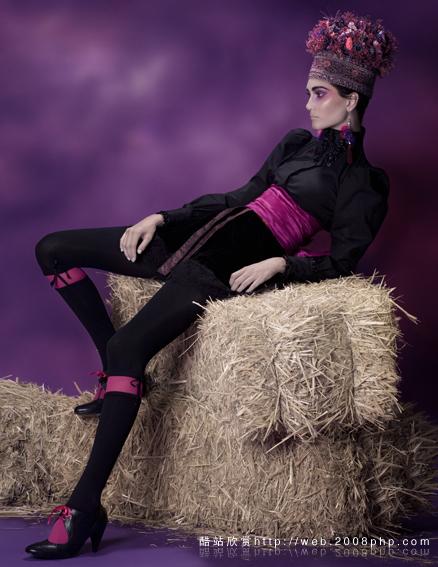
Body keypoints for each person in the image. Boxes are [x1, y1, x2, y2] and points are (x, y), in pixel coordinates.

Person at [25, 9, 398, 559]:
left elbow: (344, 259)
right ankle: (115, 375)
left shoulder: (365, 182)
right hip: (199, 233)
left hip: (228, 263)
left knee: (131, 348)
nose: (307, 103)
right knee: (53, 249)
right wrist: (162, 217)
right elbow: (238, 197)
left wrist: (281, 265)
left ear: (352, 100)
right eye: (308, 92)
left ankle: (84, 508)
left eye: (318, 93)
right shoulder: (294, 142)